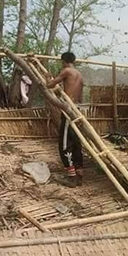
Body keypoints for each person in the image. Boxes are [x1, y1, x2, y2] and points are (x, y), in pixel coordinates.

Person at [46, 51, 85, 187]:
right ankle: (78, 173)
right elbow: (78, 95)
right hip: (77, 108)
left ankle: (71, 177)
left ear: (64, 61)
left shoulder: (67, 71)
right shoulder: (79, 74)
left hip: (69, 109)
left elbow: (50, 85)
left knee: (64, 143)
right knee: (75, 141)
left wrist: (48, 77)